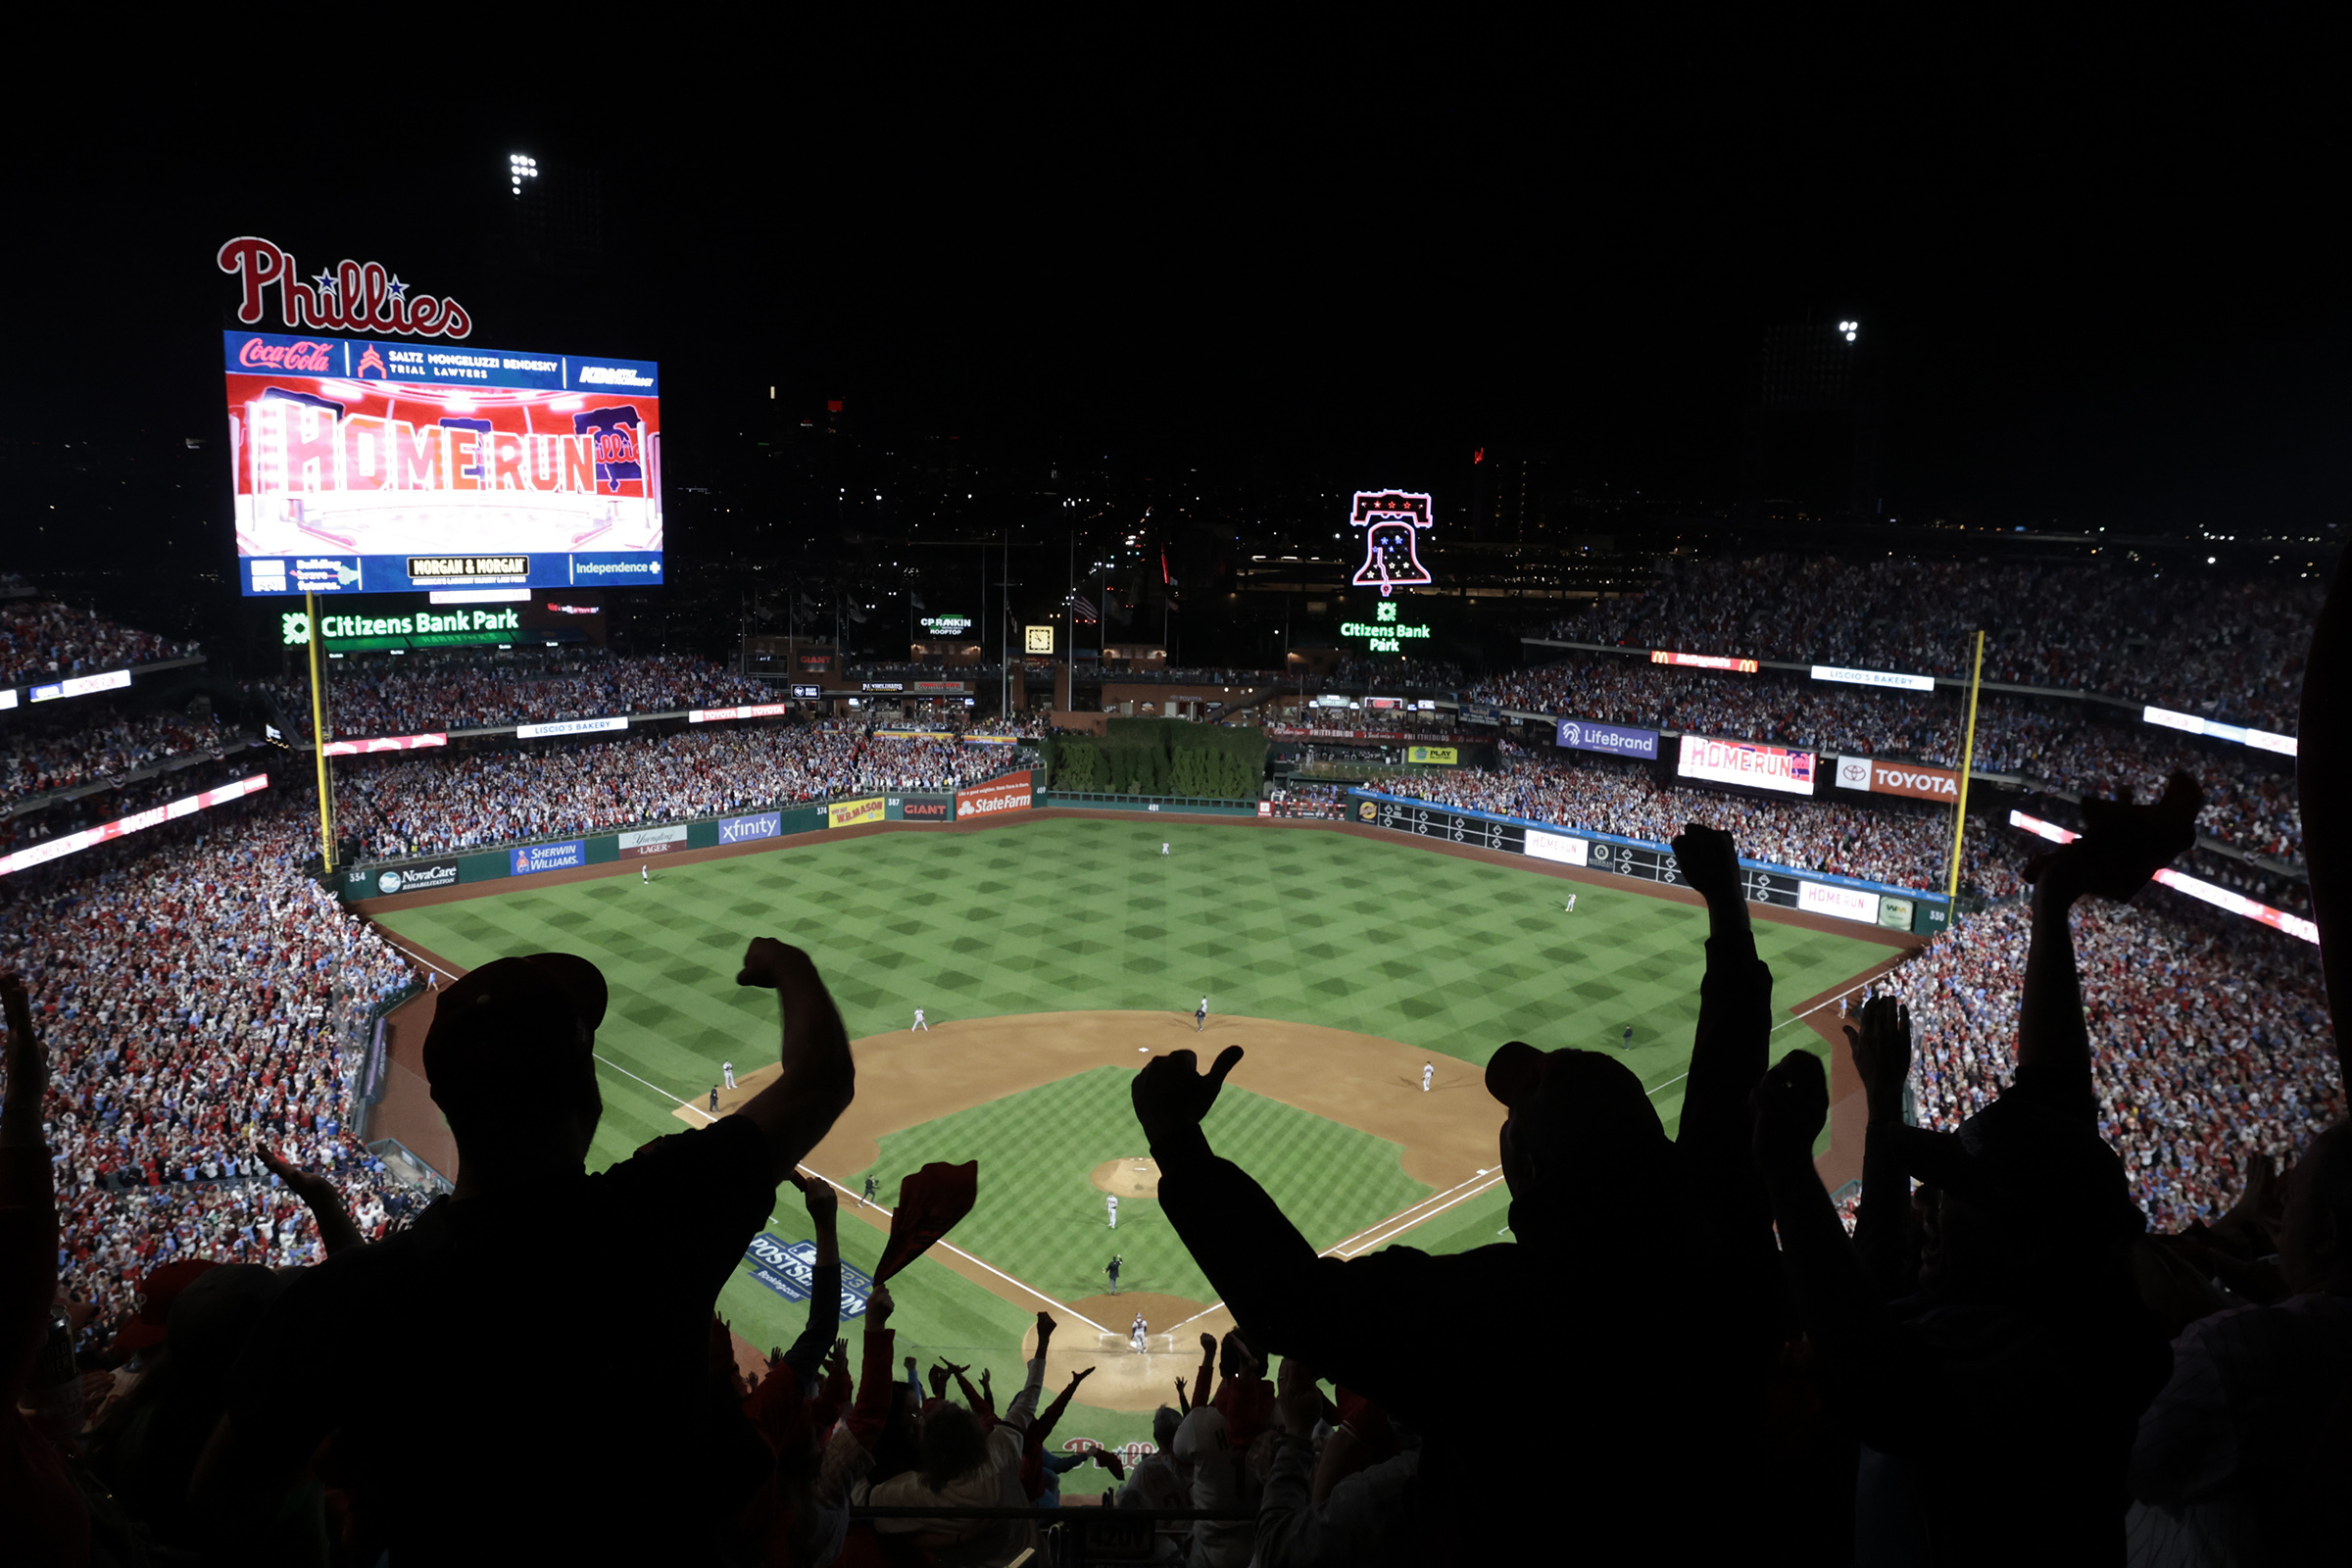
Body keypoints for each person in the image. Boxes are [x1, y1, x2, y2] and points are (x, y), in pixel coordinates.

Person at [1132, 822, 1772, 1561]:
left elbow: (1295, 1308)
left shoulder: (1504, 1311)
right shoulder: (1713, 1242)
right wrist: (1728, 905)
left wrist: (1174, 1136)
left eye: (1516, 1117)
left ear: (1529, 1170)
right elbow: (1728, 1092)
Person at [214, 938, 858, 1562]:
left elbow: (218, 1500)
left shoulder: (349, 1300)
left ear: (444, 1102)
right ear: (588, 1095)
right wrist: (786, 960)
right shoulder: (658, 1215)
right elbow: (821, 1078)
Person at [1754, 779, 2197, 1564]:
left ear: (2023, 1243)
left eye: (1955, 1195)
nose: (1931, 1206)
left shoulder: (2022, 1378)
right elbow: (2055, 1090)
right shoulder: (2078, 1311)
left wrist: (1787, 1164)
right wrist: (2053, 903)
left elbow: (1867, 1362)